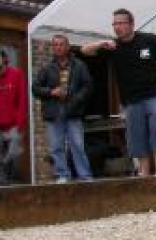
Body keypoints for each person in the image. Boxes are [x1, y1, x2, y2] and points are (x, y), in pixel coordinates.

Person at [81, 8, 156, 177]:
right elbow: (84, 50)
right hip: (131, 99)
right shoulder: (113, 46)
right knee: (136, 135)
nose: (117, 27)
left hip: (155, 93)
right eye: (114, 24)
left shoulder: (148, 39)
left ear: (131, 24)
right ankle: (144, 172)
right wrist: (101, 43)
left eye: (121, 23)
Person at [32, 34, 94, 182]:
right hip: (54, 113)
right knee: (56, 147)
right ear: (53, 48)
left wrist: (77, 99)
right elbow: (35, 88)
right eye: (55, 45)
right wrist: (51, 92)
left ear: (67, 47)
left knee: (78, 146)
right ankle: (63, 175)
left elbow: (88, 87)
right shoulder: (47, 68)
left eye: (61, 44)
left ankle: (84, 176)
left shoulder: (79, 65)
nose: (58, 47)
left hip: (73, 111)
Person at [0, 50, 27, 184]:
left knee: (12, 154)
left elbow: (22, 99)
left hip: (13, 124)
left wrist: (20, 122)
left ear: (4, 59)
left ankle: (7, 180)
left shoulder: (16, 74)